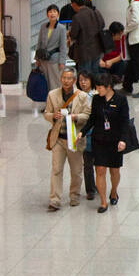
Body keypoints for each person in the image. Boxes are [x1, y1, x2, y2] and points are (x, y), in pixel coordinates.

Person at [45, 66, 91, 210]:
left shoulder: (82, 96)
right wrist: (52, 116)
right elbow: (46, 112)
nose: (66, 81)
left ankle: (74, 196)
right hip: (58, 138)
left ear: (74, 80)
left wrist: (76, 117)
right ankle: (55, 199)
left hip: (74, 139)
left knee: (76, 170)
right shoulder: (53, 95)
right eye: (64, 78)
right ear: (60, 79)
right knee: (56, 169)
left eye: (69, 78)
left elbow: (88, 115)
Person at [89, 71, 130, 213]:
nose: (97, 90)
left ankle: (113, 191)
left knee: (114, 171)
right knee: (99, 169)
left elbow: (125, 122)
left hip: (115, 140)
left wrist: (123, 140)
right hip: (99, 139)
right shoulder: (96, 100)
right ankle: (102, 202)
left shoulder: (121, 99)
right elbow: (92, 119)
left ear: (108, 87)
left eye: (100, 87)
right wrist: (82, 131)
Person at [67, 0, 107, 76]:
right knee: (95, 73)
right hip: (97, 49)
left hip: (84, 52)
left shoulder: (77, 17)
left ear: (74, 4)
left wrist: (69, 33)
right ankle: (95, 88)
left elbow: (73, 35)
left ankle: (85, 89)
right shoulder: (95, 12)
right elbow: (102, 24)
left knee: (84, 75)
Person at [34, 3, 68, 91]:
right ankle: (48, 101)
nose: (52, 14)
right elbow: (39, 43)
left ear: (58, 14)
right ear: (47, 14)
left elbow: (63, 46)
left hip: (55, 60)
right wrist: (37, 58)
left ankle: (56, 102)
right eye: (50, 12)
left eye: (54, 12)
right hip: (43, 60)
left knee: (55, 82)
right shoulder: (43, 26)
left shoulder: (61, 28)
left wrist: (62, 61)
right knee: (45, 82)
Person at [77, 69, 98, 199]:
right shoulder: (76, 96)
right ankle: (90, 189)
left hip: (97, 132)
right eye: (81, 80)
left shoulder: (97, 95)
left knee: (100, 164)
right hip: (84, 133)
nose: (83, 83)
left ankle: (100, 186)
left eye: (85, 80)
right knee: (88, 163)